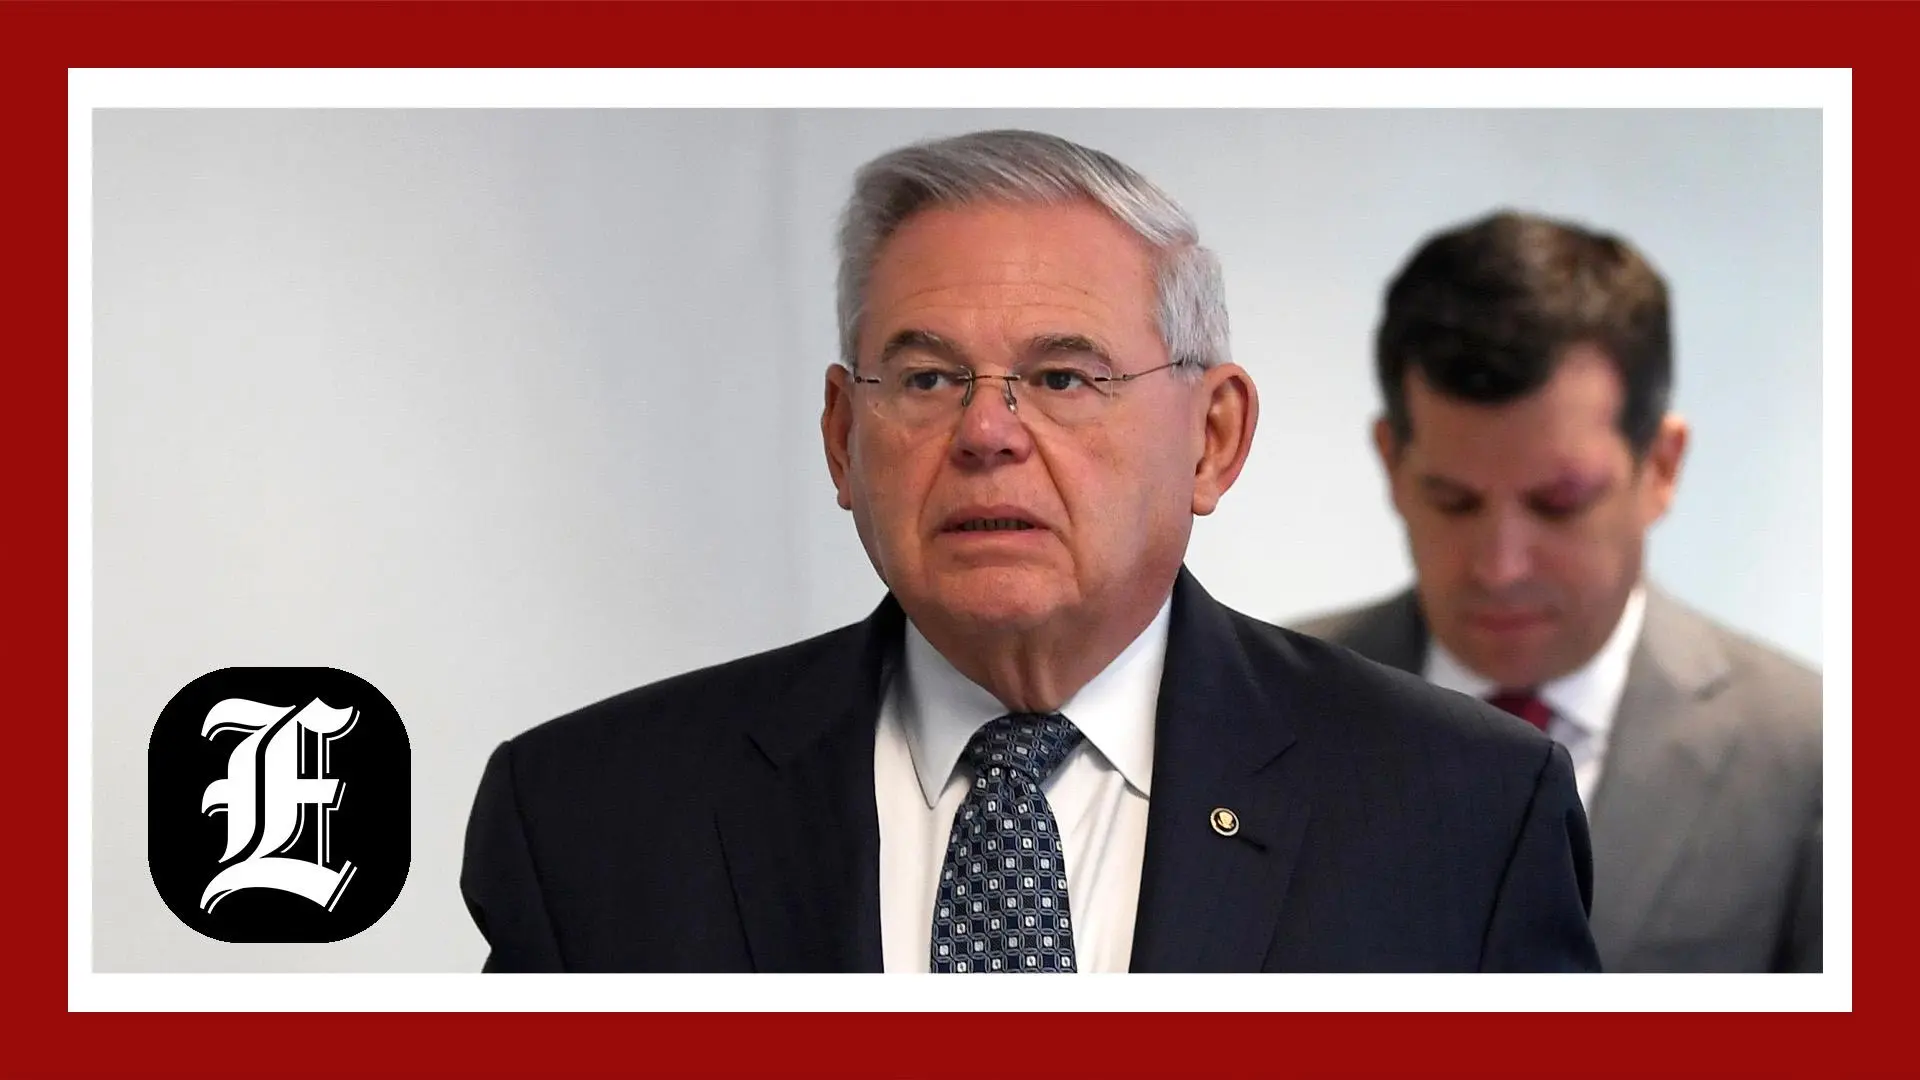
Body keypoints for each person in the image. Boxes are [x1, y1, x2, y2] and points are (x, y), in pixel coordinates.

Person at [460, 131, 1600, 973]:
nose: (987, 433)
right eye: (926, 379)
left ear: (1213, 438)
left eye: (1062, 377)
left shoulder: (1462, 812)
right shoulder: (592, 816)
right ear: (844, 438)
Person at [1293, 210, 1821, 972]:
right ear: (1390, 464)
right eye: (1454, 501)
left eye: (1559, 503)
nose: (1501, 567)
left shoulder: (1816, 755)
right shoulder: (1260, 706)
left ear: (1662, 467)